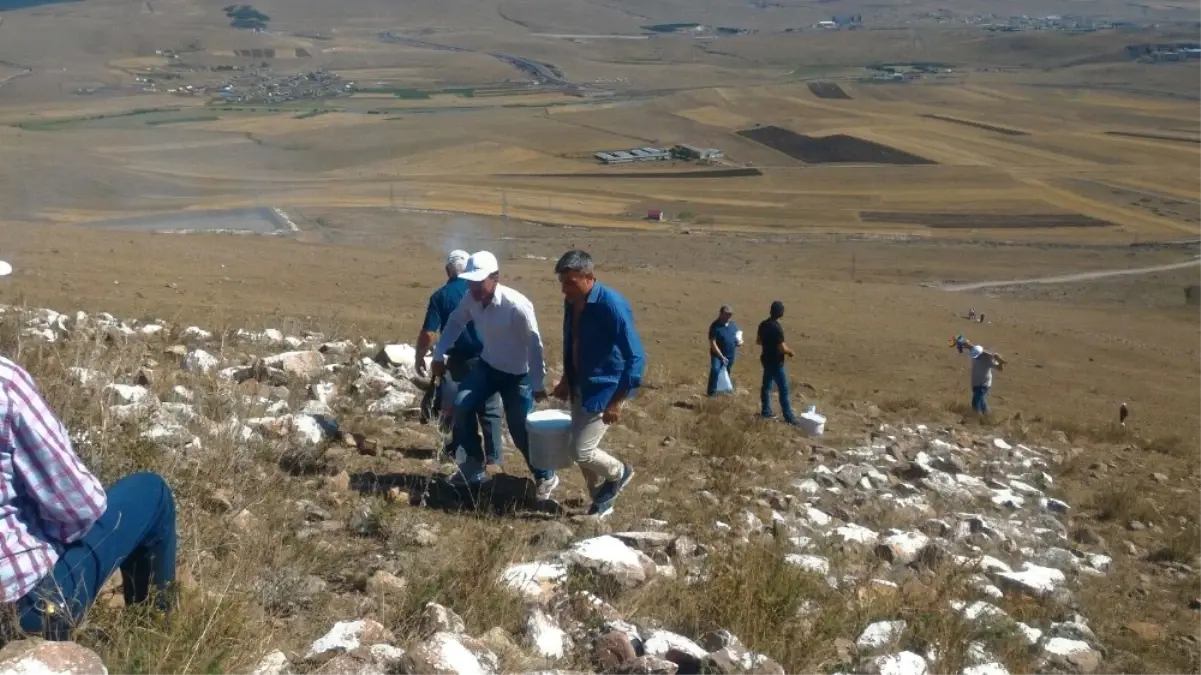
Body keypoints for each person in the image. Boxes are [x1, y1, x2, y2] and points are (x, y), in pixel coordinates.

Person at [0, 356, 178, 641]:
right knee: (152, 492)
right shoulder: (5, 383)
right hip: (25, 609)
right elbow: (82, 508)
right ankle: (154, 642)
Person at [430, 251, 558, 499]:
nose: (474, 287)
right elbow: (455, 322)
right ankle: (473, 465)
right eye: (471, 281)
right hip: (488, 367)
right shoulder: (471, 298)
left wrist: (536, 382)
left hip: (518, 376)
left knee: (520, 431)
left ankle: (545, 475)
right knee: (461, 404)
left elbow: (535, 345)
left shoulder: (517, 306)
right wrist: (439, 355)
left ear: (495, 277)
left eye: (479, 281)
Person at [551, 250, 643, 517]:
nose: (564, 289)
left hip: (605, 387)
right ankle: (599, 498)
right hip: (581, 384)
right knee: (579, 448)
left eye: (571, 282)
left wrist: (617, 401)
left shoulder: (610, 305)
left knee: (580, 450)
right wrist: (567, 380)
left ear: (589, 278)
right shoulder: (572, 302)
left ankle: (619, 472)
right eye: (562, 282)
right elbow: (571, 342)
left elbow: (635, 356)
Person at [414, 250, 503, 465]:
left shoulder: (441, 296)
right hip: (490, 357)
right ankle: (494, 459)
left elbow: (429, 333)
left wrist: (420, 357)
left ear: (448, 270)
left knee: (461, 408)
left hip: (459, 362)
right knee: (490, 409)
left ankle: (466, 454)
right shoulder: (482, 290)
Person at [756, 300, 798, 425]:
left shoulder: (763, 324)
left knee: (766, 387)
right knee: (783, 389)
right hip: (776, 361)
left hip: (766, 359)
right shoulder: (777, 328)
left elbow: (758, 341)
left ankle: (766, 411)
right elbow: (782, 348)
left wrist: (769, 345)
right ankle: (788, 417)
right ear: (781, 313)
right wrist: (790, 352)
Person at [961, 341, 1005, 415]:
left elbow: (1000, 369)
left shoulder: (988, 359)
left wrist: (1001, 362)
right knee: (977, 402)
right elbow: (967, 344)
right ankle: (986, 417)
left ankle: (982, 418)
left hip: (984, 384)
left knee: (978, 402)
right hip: (976, 383)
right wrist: (960, 341)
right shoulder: (975, 351)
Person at [707, 304, 741, 397]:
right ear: (721, 314)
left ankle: (722, 393)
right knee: (715, 371)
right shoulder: (715, 326)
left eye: (730, 314)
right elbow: (713, 343)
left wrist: (739, 342)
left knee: (726, 374)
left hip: (730, 355)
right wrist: (721, 356)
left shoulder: (732, 325)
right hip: (718, 356)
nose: (728, 316)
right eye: (726, 314)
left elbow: (736, 337)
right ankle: (711, 393)